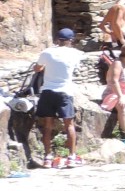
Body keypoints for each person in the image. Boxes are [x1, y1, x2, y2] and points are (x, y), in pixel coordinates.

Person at [34, 28, 84, 169]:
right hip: (65, 92)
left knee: (47, 125)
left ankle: (47, 158)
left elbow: (37, 68)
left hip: (48, 91)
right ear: (71, 40)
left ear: (57, 39)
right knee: (69, 125)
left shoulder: (47, 52)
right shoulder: (76, 54)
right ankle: (71, 157)